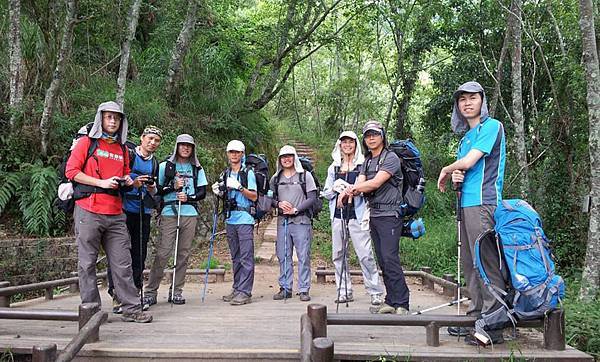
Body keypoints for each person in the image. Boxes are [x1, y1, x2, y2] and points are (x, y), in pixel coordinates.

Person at [65, 101, 152, 323]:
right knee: (87, 263)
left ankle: (132, 309)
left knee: (123, 262)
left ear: (121, 121)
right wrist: (101, 183)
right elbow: (72, 171)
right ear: (100, 119)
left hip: (115, 212)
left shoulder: (123, 148)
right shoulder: (87, 143)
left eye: (116, 118)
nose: (112, 121)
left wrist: (131, 181)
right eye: (108, 117)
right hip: (88, 209)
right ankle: (92, 312)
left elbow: (124, 175)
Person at [437, 81, 507, 346]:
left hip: (484, 202)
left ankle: (495, 322)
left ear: (482, 100)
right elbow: (464, 170)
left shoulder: (492, 126)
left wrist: (446, 169)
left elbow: (468, 163)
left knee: (485, 261)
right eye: (462, 99)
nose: (467, 102)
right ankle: (476, 316)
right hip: (466, 203)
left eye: (472, 98)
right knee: (469, 262)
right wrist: (455, 176)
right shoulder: (466, 138)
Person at [345, 120, 410, 314]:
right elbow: (361, 181)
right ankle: (391, 300)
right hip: (374, 214)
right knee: (382, 258)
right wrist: (349, 190)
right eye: (367, 135)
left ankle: (402, 303)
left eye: (375, 134)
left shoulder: (391, 158)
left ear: (382, 136)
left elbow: (374, 183)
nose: (371, 138)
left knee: (390, 257)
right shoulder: (367, 161)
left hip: (391, 214)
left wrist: (351, 189)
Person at [143, 134, 207, 307]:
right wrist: (173, 187)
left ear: (193, 148)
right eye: (182, 145)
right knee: (163, 252)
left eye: (189, 146)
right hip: (170, 211)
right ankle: (150, 291)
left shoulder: (197, 168)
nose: (186, 148)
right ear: (177, 146)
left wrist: (189, 196)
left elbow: (202, 192)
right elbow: (157, 190)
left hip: (189, 212)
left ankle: (176, 291)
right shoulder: (166, 166)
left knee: (183, 254)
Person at [322, 131, 384, 305]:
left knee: (365, 254)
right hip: (338, 215)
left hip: (358, 215)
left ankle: (375, 291)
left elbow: (370, 189)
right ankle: (343, 291)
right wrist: (335, 187)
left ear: (356, 144)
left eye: (351, 142)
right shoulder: (334, 167)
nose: (347, 145)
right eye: (344, 142)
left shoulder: (363, 165)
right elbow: (326, 193)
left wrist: (352, 188)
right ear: (339, 145)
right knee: (338, 254)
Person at [108, 126, 163, 314]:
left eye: (156, 140)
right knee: (119, 253)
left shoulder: (155, 163)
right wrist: (133, 181)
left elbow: (155, 191)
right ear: (142, 138)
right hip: (123, 210)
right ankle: (117, 295)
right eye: (150, 138)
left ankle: (136, 293)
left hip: (143, 211)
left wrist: (151, 188)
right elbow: (118, 178)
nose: (153, 143)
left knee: (140, 253)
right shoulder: (128, 155)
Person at [211, 140, 258, 306]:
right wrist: (219, 191)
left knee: (246, 256)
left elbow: (254, 196)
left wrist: (238, 187)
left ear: (242, 154)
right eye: (231, 152)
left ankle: (245, 292)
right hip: (230, 218)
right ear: (227, 154)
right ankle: (237, 288)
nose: (234, 155)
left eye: (237, 152)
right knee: (236, 256)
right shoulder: (225, 174)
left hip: (245, 218)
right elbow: (224, 195)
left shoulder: (248, 173)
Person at [270, 145, 318, 302]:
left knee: (303, 255)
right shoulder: (276, 178)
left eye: (289, 156)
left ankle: (304, 289)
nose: (286, 159)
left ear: (294, 157)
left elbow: (312, 198)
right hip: (283, 221)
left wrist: (296, 209)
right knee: (283, 255)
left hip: (302, 221)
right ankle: (285, 287)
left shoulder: (305, 176)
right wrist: (278, 204)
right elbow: (270, 198)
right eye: (283, 156)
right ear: (279, 159)